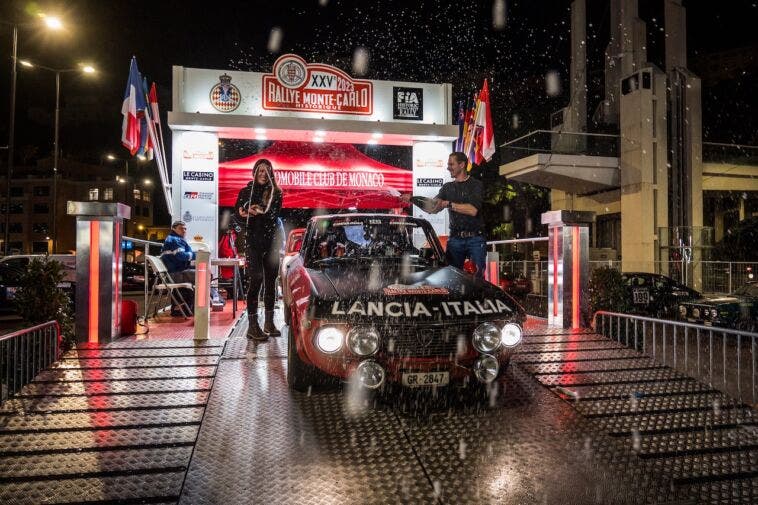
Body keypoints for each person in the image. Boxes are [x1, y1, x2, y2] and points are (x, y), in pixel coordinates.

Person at [403, 152, 486, 278]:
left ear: (462, 165)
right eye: (448, 164)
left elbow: (473, 210)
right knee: (452, 276)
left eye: (451, 164)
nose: (448, 167)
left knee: (477, 277)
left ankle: (476, 297)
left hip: (475, 239)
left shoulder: (476, 185)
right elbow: (432, 207)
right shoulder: (447, 187)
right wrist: (412, 199)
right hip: (455, 239)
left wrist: (448, 204)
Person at [235, 158, 283, 341]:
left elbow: (272, 216)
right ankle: (252, 325)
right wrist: (243, 213)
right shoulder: (245, 191)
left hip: (271, 244)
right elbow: (237, 216)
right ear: (254, 173)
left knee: (271, 281)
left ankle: (269, 323)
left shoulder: (276, 193)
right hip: (253, 243)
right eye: (260, 171)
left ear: (271, 174)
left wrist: (257, 212)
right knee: (256, 279)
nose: (263, 174)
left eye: (266, 171)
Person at [160, 220, 196, 315]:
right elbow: (182, 256)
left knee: (201, 273)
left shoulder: (173, 238)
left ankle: (192, 306)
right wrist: (195, 254)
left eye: (185, 229)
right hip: (175, 274)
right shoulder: (175, 240)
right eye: (181, 228)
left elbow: (184, 256)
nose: (184, 231)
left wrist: (191, 254)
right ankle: (201, 306)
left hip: (173, 273)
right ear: (173, 229)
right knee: (204, 274)